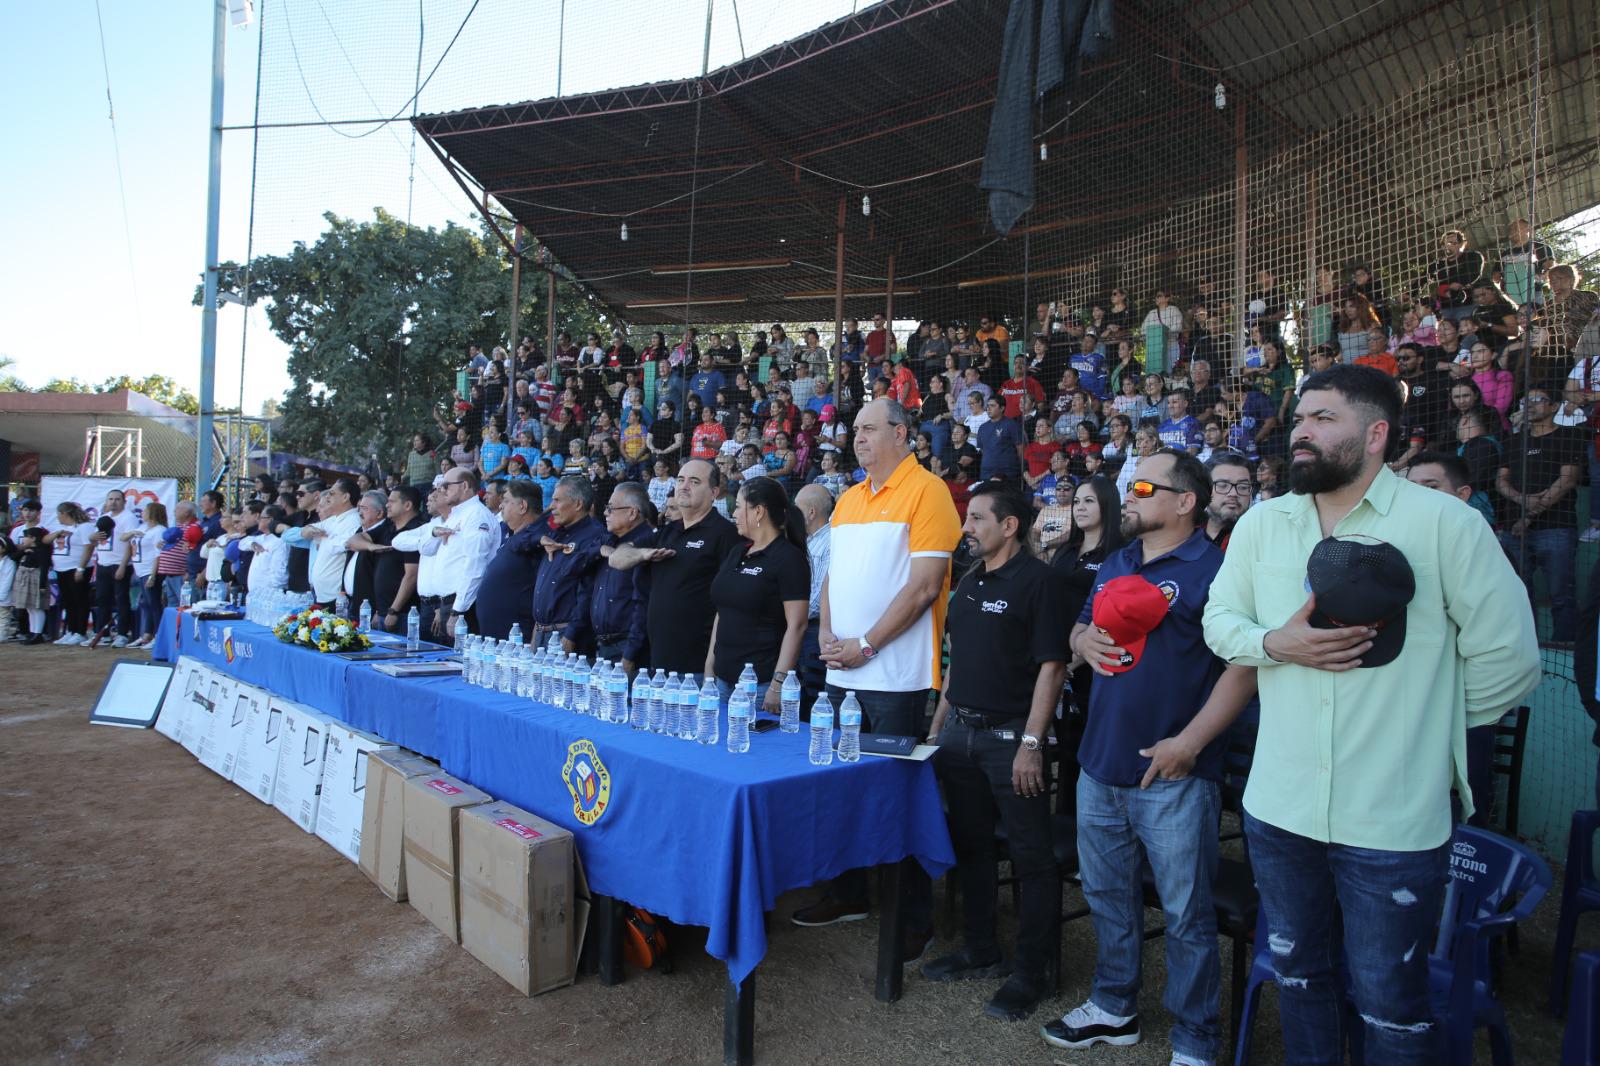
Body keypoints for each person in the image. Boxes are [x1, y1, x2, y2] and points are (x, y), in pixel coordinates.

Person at [1202, 364, 1540, 1064]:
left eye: (1323, 418)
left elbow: (1510, 660)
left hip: (1394, 819)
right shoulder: (1263, 523)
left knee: (1392, 1008)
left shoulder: (1446, 524)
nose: (1301, 431)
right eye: (1300, 418)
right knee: (1301, 981)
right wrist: (1276, 643)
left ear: (1377, 433)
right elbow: (1219, 622)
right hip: (1280, 809)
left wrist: (1424, 725)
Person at [1045, 450, 1254, 1064]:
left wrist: (1188, 745)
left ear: (1186, 501)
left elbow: (1244, 667)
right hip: (1099, 763)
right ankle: (1114, 1007)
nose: (1128, 495)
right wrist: (1083, 639)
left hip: (1174, 773)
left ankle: (1196, 1039)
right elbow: (1079, 631)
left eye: (1142, 487)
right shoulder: (1117, 559)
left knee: (1187, 916)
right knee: (1107, 895)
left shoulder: (1217, 569)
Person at [793, 399, 962, 962]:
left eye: (869, 428)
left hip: (896, 677)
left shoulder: (928, 491)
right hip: (841, 668)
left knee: (897, 798)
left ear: (901, 433)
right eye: (855, 430)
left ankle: (913, 917)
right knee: (839, 787)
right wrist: (827, 633)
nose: (858, 437)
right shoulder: (847, 498)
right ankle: (848, 894)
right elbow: (833, 577)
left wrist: (865, 644)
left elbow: (925, 587)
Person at [922, 481, 1068, 1020]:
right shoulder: (970, 579)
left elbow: (1052, 667)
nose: (967, 528)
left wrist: (1032, 743)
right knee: (972, 848)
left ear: (1009, 526)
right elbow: (957, 661)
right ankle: (980, 948)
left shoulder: (1040, 582)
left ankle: (1033, 973)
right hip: (959, 735)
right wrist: (939, 728)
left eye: (977, 518)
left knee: (1032, 858)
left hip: (1010, 741)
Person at [606, 458, 744, 678]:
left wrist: (711, 667)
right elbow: (616, 559)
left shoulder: (726, 535)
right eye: (680, 480)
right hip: (658, 664)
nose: (684, 486)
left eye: (694, 481)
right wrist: (642, 554)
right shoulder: (667, 532)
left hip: (698, 670)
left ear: (714, 492)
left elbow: (731, 606)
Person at [704, 476, 810, 711]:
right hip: (721, 679)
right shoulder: (737, 551)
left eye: (738, 507)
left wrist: (778, 684)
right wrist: (709, 666)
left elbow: (798, 625)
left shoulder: (788, 558)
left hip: (760, 684)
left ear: (759, 511)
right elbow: (723, 611)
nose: (734, 514)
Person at [1496, 386, 1581, 646]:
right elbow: (1501, 480)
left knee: (1560, 592)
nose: (1530, 405)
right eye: (1525, 401)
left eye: (1537, 400)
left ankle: (1563, 646)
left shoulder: (1567, 436)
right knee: (1517, 592)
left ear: (1554, 406)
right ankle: (1525, 644)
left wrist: (1529, 515)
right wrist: (1520, 499)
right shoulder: (1514, 441)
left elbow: (1567, 480)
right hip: (1514, 531)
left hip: (1556, 528)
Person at [527, 476, 605, 652]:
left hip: (565, 635)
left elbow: (588, 590)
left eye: (557, 500)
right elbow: (524, 536)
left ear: (578, 504)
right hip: (541, 632)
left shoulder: (594, 535)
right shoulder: (556, 532)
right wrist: (537, 628)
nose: (551, 506)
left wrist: (571, 634)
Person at [587, 482, 654, 676]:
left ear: (632, 513)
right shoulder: (610, 539)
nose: (605, 513)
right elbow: (577, 559)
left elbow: (643, 605)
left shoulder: (646, 543)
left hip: (627, 650)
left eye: (611, 508)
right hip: (603, 645)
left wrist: (629, 654)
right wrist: (600, 550)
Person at [473, 480, 547, 642]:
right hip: (498, 635)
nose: (501, 506)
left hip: (517, 636)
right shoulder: (515, 534)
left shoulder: (540, 537)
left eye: (506, 501)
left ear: (522, 506)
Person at [433, 467, 499, 636]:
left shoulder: (476, 515)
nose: (442, 490)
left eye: (446, 485)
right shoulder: (457, 514)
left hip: (464, 605)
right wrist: (434, 532)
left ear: (464, 486)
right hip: (450, 602)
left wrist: (458, 611)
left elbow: (475, 566)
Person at [793, 484, 835, 708]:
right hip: (801, 627)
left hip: (814, 631)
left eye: (797, 508)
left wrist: (791, 614)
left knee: (813, 698)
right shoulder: (807, 539)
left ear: (811, 512)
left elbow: (819, 598)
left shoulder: (830, 541)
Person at [88, 489, 139, 646]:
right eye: (110, 499)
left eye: (117, 499)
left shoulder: (128, 518)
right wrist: (92, 537)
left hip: (119, 564)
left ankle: (123, 633)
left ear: (124, 501)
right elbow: (94, 539)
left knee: (121, 599)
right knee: (102, 599)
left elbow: (131, 544)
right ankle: (102, 634)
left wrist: (123, 566)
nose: (113, 502)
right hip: (103, 563)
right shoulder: (104, 517)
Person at [44, 502, 93, 645]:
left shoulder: (84, 527)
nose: (58, 517)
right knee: (68, 601)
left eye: (59, 514)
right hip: (61, 569)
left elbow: (88, 547)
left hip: (76, 568)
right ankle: (71, 630)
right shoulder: (60, 527)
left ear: (65, 514)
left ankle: (81, 632)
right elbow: (45, 540)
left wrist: (81, 568)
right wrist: (57, 533)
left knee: (79, 600)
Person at [125, 501, 170, 649]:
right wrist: (132, 533)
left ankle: (158, 636)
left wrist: (152, 575)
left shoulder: (159, 530)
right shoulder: (143, 527)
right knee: (146, 604)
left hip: (150, 571)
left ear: (152, 513)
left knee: (154, 604)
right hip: (140, 570)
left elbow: (158, 555)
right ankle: (146, 634)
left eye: (145, 511)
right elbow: (122, 538)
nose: (142, 513)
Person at [1204, 452, 1253, 550]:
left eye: (1243, 487)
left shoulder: (1260, 540)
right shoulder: (1183, 535)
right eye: (1222, 485)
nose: (1233, 493)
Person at [977, 395, 1026, 484]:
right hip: (986, 474)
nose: (988, 408)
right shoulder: (982, 428)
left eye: (992, 405)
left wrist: (1022, 470)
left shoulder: (1011, 424)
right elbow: (983, 450)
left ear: (1002, 408)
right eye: (987, 406)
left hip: (1008, 474)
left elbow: (1021, 449)